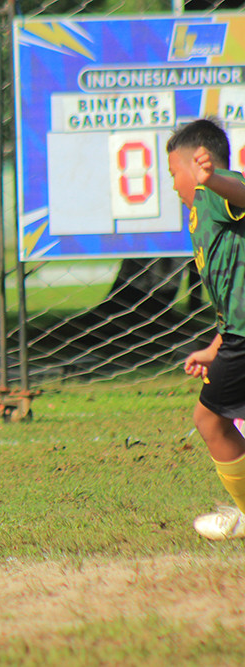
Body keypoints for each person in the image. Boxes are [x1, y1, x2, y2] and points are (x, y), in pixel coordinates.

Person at [167, 118, 245, 539]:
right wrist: (216, 345)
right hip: (236, 336)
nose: (175, 184)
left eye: (173, 172)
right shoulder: (203, 212)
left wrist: (211, 181)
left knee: (210, 421)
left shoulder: (212, 193)